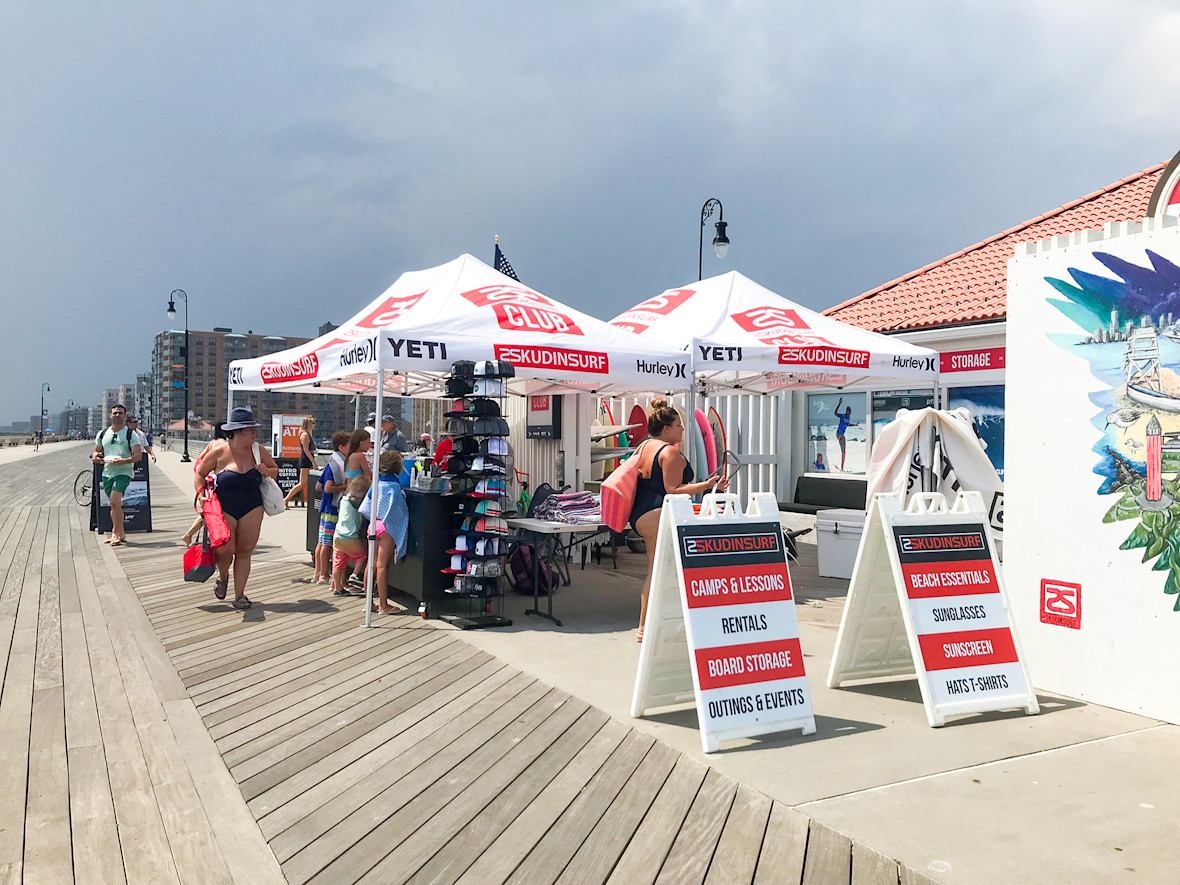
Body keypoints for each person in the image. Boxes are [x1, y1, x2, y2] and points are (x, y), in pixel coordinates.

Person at [629, 399, 726, 642]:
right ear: (666, 429)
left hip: (641, 514)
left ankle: (664, 625)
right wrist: (706, 485)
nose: (683, 430)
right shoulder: (669, 451)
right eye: (678, 425)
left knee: (664, 570)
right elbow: (673, 489)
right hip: (657, 514)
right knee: (659, 571)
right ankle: (645, 628)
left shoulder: (644, 446)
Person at [195, 407, 279, 610]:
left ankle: (240, 594)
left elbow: (275, 470)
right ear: (238, 432)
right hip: (224, 506)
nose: (254, 433)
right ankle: (223, 576)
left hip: (252, 506)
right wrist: (201, 495)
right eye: (251, 430)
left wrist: (266, 471)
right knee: (224, 551)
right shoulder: (219, 452)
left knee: (244, 551)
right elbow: (199, 473)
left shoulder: (259, 451)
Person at [360, 449, 408, 614]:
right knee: (382, 567)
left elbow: (366, 505)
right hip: (387, 528)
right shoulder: (394, 486)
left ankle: (368, 603)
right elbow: (399, 512)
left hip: (373, 525)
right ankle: (383, 605)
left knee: (370, 565)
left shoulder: (376, 483)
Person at [93, 404, 142, 547]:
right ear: (110, 415)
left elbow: (138, 456)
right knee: (115, 505)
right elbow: (96, 451)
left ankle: (115, 532)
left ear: (124, 416)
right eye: (114, 413)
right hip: (108, 472)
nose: (117, 415)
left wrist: (124, 461)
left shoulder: (130, 434)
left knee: (115, 501)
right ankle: (121, 533)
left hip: (124, 471)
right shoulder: (103, 434)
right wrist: (96, 458)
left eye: (120, 413)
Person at [312, 431, 350, 585]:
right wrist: (344, 486)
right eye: (349, 446)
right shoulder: (337, 466)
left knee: (321, 541)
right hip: (332, 508)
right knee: (327, 543)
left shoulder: (330, 463)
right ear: (341, 447)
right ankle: (324, 575)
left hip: (325, 507)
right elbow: (327, 488)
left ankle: (317, 573)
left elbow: (318, 486)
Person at [181, 426, 228, 547]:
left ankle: (189, 535)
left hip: (206, 481)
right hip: (215, 482)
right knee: (212, 511)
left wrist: (205, 472)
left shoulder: (212, 443)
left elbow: (201, 458)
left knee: (209, 510)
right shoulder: (223, 445)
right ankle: (189, 535)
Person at [331, 475, 371, 597]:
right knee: (362, 556)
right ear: (360, 492)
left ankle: (337, 588)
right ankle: (355, 575)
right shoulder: (355, 503)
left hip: (338, 535)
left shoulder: (343, 500)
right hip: (350, 536)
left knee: (338, 562)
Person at [283, 416, 317, 508]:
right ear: (308, 424)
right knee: (302, 483)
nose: (314, 425)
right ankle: (286, 499)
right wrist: (313, 461)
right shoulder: (305, 435)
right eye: (312, 423)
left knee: (307, 482)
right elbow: (306, 450)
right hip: (306, 459)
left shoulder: (308, 434)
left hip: (309, 458)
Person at [834, 397, 858, 471]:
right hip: (838, 433)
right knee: (842, 437)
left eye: (849, 412)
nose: (849, 413)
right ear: (846, 411)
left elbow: (848, 424)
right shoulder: (842, 416)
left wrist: (854, 425)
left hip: (842, 436)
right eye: (848, 411)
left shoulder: (848, 418)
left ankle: (842, 467)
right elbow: (835, 413)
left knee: (844, 453)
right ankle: (841, 468)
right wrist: (839, 403)